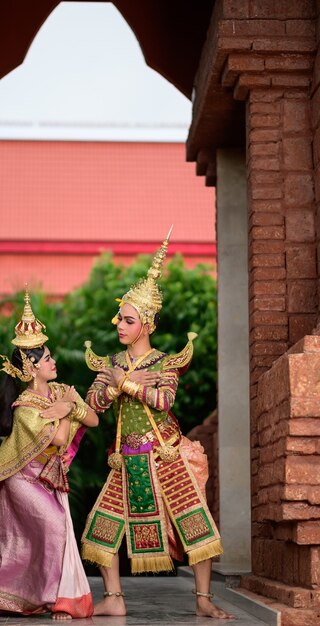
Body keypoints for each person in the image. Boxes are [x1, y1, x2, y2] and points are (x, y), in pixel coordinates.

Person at [81, 230, 234, 620]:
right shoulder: (110, 363)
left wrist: (125, 384)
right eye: (120, 317)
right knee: (101, 527)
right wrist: (118, 386)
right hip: (127, 458)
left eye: (128, 320)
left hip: (164, 453)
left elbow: (164, 400)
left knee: (194, 522)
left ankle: (203, 600)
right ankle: (114, 598)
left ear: (146, 323)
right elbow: (92, 405)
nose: (120, 324)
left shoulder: (166, 363)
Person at [0, 290, 98, 621]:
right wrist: (64, 409)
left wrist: (68, 405)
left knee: (21, 550)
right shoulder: (25, 409)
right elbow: (60, 436)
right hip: (22, 480)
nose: (53, 361)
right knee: (53, 527)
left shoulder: (59, 392)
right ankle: (53, 600)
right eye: (47, 358)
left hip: (47, 479)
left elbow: (93, 418)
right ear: (31, 368)